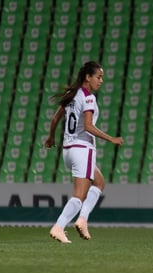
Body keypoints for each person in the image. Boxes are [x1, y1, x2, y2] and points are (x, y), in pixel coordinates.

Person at [45, 61, 123, 243]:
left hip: (68, 150)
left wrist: (51, 137)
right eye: (99, 77)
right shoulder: (88, 98)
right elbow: (88, 126)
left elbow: (56, 118)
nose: (101, 81)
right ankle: (59, 226)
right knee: (79, 196)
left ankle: (82, 219)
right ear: (88, 77)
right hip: (82, 149)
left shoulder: (71, 94)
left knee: (99, 182)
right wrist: (111, 138)